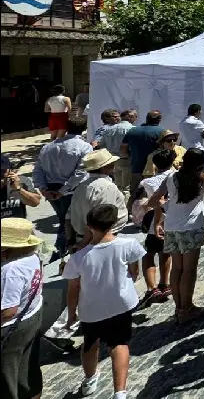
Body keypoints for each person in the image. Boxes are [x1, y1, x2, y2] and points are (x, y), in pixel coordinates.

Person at [63, 205, 145, 398]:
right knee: (119, 343)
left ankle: (90, 379)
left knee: (90, 343)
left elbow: (73, 289)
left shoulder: (78, 258)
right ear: (114, 224)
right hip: (120, 303)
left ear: (89, 226)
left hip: (91, 308)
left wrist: (71, 314)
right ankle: (120, 392)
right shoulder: (128, 244)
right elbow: (134, 272)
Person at [148, 148, 204, 324]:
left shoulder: (170, 178)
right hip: (193, 227)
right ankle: (187, 308)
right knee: (189, 270)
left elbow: (153, 201)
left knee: (177, 269)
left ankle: (179, 309)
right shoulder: (203, 177)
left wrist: (166, 206)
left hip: (172, 227)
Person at [32, 117, 92, 257]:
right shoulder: (84, 147)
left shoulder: (48, 146)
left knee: (65, 221)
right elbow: (81, 173)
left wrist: (43, 188)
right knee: (69, 223)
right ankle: (60, 254)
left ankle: (64, 252)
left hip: (53, 191)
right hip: (70, 192)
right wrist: (62, 191)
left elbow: (38, 170)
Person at [1, 218, 45, 399]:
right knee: (28, 367)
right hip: (33, 314)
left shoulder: (11, 269)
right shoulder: (32, 256)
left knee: (6, 375)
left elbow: (8, 310)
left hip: (13, 327)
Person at [131, 149, 176, 307]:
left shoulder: (148, 182)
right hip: (174, 220)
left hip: (155, 222)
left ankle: (152, 288)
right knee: (166, 253)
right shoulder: (177, 176)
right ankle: (165, 283)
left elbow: (139, 203)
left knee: (149, 255)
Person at [67, 150, 129, 250]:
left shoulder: (82, 186)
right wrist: (84, 243)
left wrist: (71, 240)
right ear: (104, 167)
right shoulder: (106, 187)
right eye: (111, 163)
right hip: (99, 240)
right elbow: (101, 219)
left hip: (86, 237)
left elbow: (69, 216)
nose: (114, 165)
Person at [121, 110, 165, 198]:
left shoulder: (133, 131)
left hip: (136, 167)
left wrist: (130, 157)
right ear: (159, 119)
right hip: (154, 170)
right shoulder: (162, 132)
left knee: (135, 194)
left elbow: (123, 148)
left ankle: (131, 211)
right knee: (152, 195)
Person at [99, 109, 135, 194]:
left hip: (112, 160)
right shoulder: (132, 129)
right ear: (130, 118)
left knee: (117, 186)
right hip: (127, 159)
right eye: (135, 116)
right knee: (126, 188)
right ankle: (123, 206)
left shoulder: (108, 129)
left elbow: (102, 146)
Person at [2, 155, 42, 219]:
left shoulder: (22, 181)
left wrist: (18, 188)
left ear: (9, 170)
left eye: (3, 170)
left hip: (18, 226)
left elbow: (35, 203)